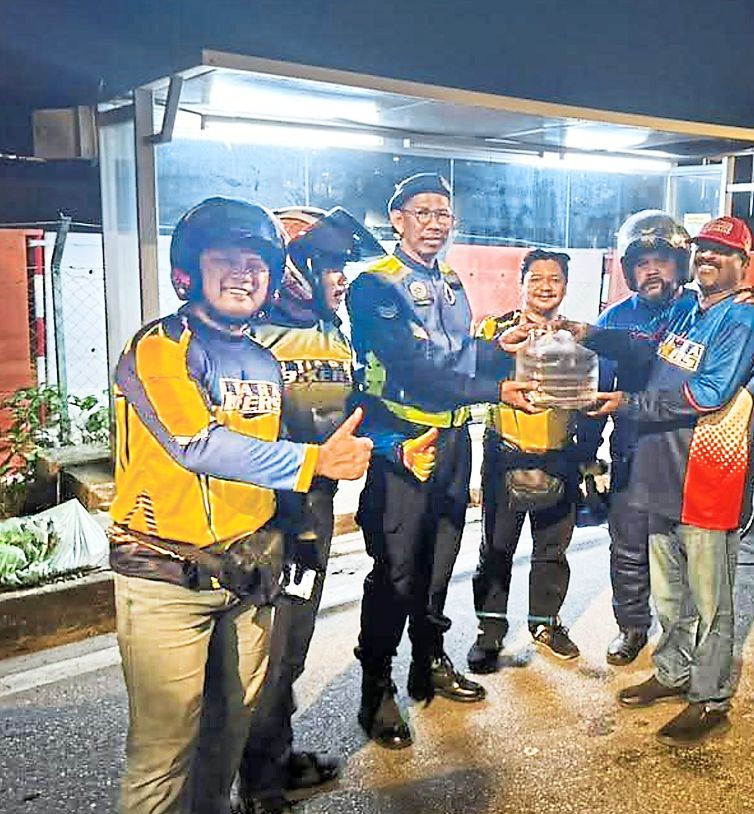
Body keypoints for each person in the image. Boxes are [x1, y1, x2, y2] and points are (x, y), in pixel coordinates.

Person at [107, 197, 371, 814]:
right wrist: (313, 463)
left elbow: (265, 455)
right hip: (166, 577)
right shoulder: (159, 346)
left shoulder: (261, 360)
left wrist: (293, 534)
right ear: (188, 273)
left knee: (228, 736)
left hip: (248, 575)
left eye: (257, 262)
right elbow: (196, 444)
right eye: (224, 259)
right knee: (163, 750)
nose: (243, 273)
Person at [347, 173, 536, 749]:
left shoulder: (450, 281)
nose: (435, 223)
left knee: (437, 567)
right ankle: (375, 689)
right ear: (396, 219)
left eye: (443, 213)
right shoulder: (375, 286)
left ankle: (427, 660)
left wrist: (492, 351)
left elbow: (453, 353)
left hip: (453, 446)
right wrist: (494, 390)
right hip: (403, 446)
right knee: (395, 571)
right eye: (422, 213)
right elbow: (414, 368)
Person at [586, 216, 754, 747]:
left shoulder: (741, 321)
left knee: (711, 599)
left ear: (742, 264)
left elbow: (709, 393)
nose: (710, 258)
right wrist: (588, 334)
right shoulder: (687, 308)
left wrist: (630, 403)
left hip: (708, 474)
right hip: (661, 469)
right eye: (704, 249)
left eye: (723, 252)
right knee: (670, 593)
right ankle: (672, 672)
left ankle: (710, 698)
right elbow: (645, 349)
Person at [237, 207, 385, 814]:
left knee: (292, 639)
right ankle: (259, 783)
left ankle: (274, 757)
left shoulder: (334, 328)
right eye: (330, 265)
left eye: (343, 265)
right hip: (261, 515)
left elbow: (347, 408)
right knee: (259, 648)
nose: (341, 276)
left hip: (312, 514)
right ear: (296, 266)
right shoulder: (247, 332)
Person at [573, 210, 698, 666]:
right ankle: (632, 626)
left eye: (662, 260)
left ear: (681, 264)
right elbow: (595, 392)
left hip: (687, 450)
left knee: (684, 549)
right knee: (627, 544)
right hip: (630, 449)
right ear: (628, 270)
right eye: (642, 262)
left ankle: (683, 634)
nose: (652, 270)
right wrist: (586, 456)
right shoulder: (613, 319)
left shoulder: (700, 313)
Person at [467, 249, 585, 672]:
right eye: (537, 278)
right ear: (521, 284)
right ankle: (490, 632)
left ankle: (544, 624)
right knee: (496, 548)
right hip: (506, 454)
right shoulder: (494, 330)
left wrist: (585, 456)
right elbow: (477, 377)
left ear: (565, 287)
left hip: (559, 456)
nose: (546, 286)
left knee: (552, 549)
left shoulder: (576, 335)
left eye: (555, 279)